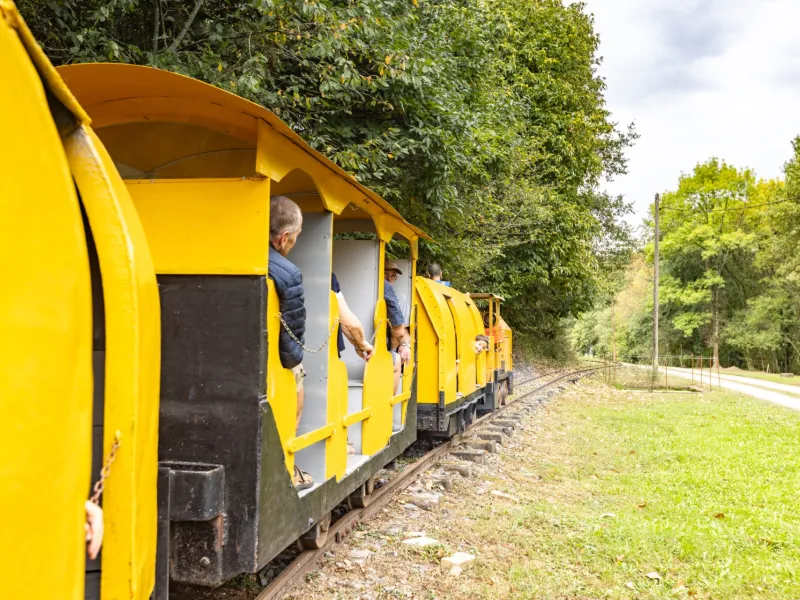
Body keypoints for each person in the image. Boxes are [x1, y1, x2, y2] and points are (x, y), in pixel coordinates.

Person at [268, 195, 313, 490]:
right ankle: (288, 463)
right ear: (284, 238)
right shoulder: (288, 273)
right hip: (269, 368)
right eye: (295, 238)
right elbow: (291, 349)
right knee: (298, 378)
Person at [384, 260, 411, 394]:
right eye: (386, 273)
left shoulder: (400, 297)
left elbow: (402, 328)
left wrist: (405, 345)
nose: (390, 278)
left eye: (393, 275)